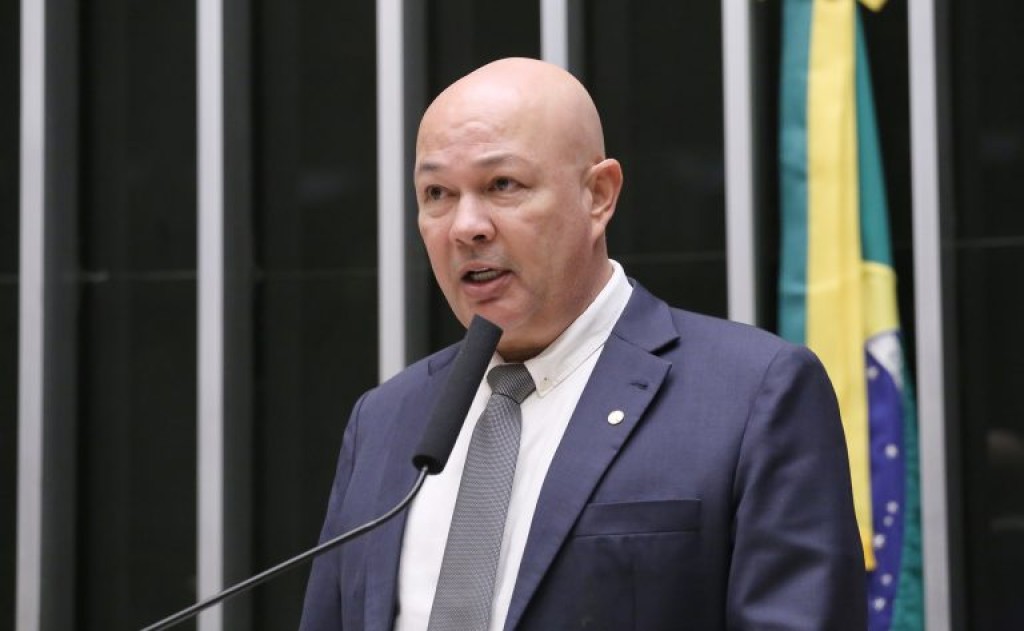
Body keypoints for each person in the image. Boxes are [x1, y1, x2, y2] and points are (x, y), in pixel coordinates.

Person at [300, 57, 866, 630]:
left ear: (598, 195)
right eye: (437, 193)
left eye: (502, 185)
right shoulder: (385, 420)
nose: (466, 226)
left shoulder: (752, 394)